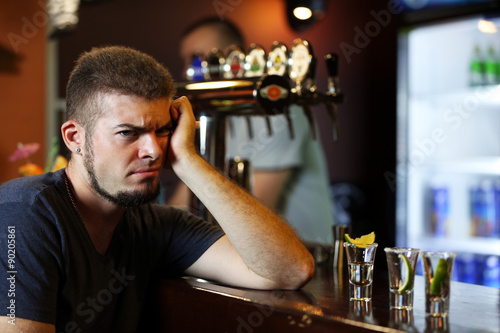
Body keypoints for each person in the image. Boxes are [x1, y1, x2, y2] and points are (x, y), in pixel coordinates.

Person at [0, 46, 314, 333]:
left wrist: (189, 161)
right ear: (74, 138)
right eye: (128, 133)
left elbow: (290, 270)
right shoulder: (24, 212)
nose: (153, 149)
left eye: (162, 130)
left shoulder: (157, 226)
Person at [178, 17, 336, 245]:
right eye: (186, 62)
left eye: (197, 59)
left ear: (234, 59)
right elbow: (189, 190)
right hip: (258, 251)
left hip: (308, 253)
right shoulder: (216, 116)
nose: (188, 72)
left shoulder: (279, 109)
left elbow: (257, 206)